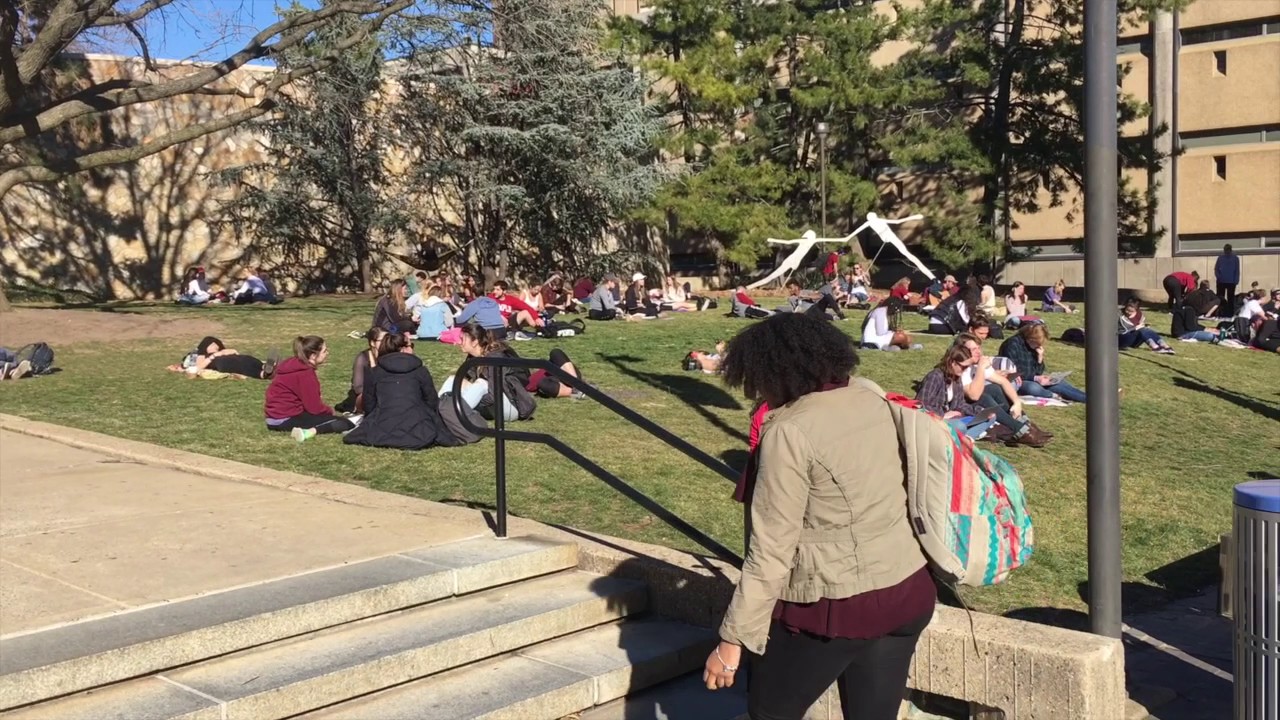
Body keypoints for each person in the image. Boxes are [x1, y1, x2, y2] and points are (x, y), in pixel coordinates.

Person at [706, 313, 937, 720]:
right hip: (908, 587)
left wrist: (731, 641)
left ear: (770, 371)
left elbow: (770, 552)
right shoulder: (868, 393)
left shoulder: (789, 432)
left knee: (769, 711)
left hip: (836, 605)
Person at [342, 334, 459, 450]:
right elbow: (431, 401)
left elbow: (369, 405)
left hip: (382, 426)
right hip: (420, 428)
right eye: (411, 345)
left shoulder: (375, 372)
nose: (413, 349)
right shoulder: (420, 371)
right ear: (402, 349)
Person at [917, 343, 1045, 446]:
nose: (964, 371)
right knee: (960, 426)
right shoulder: (935, 376)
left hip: (952, 417)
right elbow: (921, 406)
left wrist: (981, 411)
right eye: (963, 367)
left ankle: (966, 440)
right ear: (952, 363)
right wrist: (943, 415)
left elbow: (960, 404)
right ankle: (964, 439)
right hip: (934, 420)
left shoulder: (956, 379)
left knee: (990, 417)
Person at [439, 324, 537, 422]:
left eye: (462, 339)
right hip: (491, 405)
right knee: (453, 380)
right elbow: (464, 379)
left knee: (481, 384)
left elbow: (493, 397)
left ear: (475, 342)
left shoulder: (495, 358)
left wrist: (474, 398)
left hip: (511, 406)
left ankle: (456, 417)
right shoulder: (473, 357)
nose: (459, 342)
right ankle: (438, 411)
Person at [264, 336, 356, 440]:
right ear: (313, 356)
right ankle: (307, 433)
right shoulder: (305, 374)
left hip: (274, 417)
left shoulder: (293, 365)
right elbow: (314, 408)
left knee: (334, 419)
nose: (327, 353)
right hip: (284, 419)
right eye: (324, 351)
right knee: (345, 423)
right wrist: (330, 412)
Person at [998, 323, 1091, 402]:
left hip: (1034, 378)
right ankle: (1052, 395)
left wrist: (1040, 358)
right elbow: (1013, 372)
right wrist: (1036, 378)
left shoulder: (1033, 347)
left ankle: (1087, 397)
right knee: (1033, 388)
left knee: (1059, 382)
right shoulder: (1011, 345)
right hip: (1018, 380)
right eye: (1038, 344)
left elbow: (1039, 371)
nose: (1039, 346)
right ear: (1030, 339)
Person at [335, 328, 385, 414]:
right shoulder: (362, 358)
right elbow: (358, 388)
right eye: (383, 340)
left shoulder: (390, 356)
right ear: (373, 343)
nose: (387, 343)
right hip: (364, 397)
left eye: (388, 339)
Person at [188, 336, 278, 379]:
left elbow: (235, 352)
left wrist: (227, 351)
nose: (215, 346)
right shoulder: (201, 354)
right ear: (204, 346)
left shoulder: (222, 350)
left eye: (216, 344)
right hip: (224, 363)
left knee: (249, 360)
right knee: (242, 367)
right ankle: (265, 374)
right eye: (211, 344)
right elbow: (197, 369)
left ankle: (268, 367)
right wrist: (214, 356)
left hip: (240, 358)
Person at [781, 279, 847, 320]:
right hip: (807, 313)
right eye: (788, 288)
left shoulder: (805, 291)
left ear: (796, 286)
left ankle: (839, 314)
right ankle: (834, 317)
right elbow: (794, 311)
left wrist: (805, 296)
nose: (789, 290)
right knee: (814, 312)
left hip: (817, 307)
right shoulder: (791, 298)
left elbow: (819, 296)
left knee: (828, 296)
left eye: (790, 288)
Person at [1215, 244, 1241, 317]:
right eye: (1225, 249)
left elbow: (1237, 270)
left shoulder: (1235, 258)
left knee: (1231, 299)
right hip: (1221, 281)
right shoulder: (1220, 258)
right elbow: (1216, 269)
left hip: (1231, 282)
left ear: (1230, 249)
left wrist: (1236, 280)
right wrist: (1219, 277)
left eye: (1228, 249)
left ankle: (1230, 313)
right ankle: (1220, 312)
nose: (1226, 251)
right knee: (1220, 298)